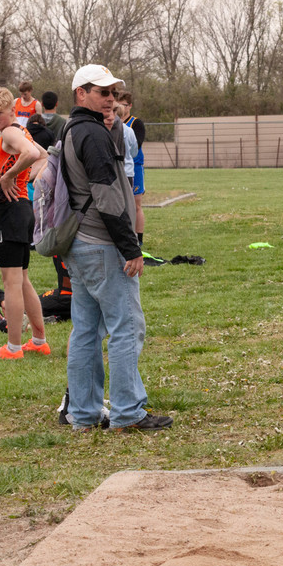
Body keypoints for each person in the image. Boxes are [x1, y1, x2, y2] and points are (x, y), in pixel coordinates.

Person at [61, 64, 172, 432]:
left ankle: (84, 414)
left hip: (79, 243)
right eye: (101, 91)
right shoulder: (91, 134)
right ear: (81, 93)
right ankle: (127, 413)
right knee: (126, 328)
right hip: (102, 244)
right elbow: (108, 198)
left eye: (112, 92)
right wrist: (131, 248)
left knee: (86, 331)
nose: (110, 98)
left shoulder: (74, 128)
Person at [0, 88, 49, 360]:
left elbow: (30, 153)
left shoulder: (10, 132)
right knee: (23, 279)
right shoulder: (20, 131)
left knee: (11, 282)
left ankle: (13, 347)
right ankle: (39, 340)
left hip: (10, 211)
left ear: (11, 112)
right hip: (21, 209)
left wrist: (10, 178)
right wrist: (27, 180)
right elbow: (44, 156)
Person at [117, 92, 146, 247]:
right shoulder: (111, 122)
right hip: (118, 168)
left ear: (130, 106)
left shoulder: (135, 123)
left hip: (134, 167)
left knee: (135, 204)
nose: (122, 108)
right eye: (119, 104)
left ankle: (138, 238)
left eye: (125, 105)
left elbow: (136, 146)